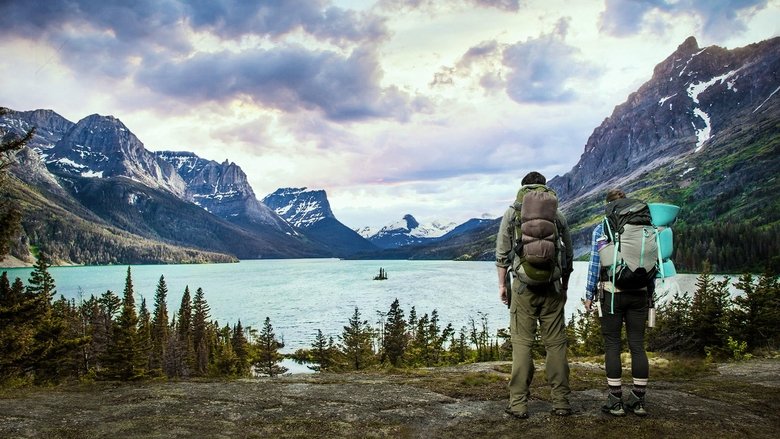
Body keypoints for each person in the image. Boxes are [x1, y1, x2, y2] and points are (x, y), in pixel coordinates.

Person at [496, 171, 574, 419]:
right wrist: (565, 285)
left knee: (522, 345)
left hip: (522, 288)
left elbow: (502, 255)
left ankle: (518, 403)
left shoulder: (512, 213)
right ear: (544, 189)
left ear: (523, 188)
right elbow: (568, 254)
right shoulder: (556, 215)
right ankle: (561, 402)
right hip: (552, 287)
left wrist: (502, 286)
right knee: (556, 345)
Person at [584, 188, 651, 417]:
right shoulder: (645, 226)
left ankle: (615, 401)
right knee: (637, 345)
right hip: (640, 293)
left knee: (613, 344)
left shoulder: (602, 228)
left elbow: (595, 264)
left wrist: (589, 294)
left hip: (612, 293)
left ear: (608, 206)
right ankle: (639, 401)